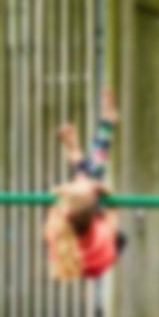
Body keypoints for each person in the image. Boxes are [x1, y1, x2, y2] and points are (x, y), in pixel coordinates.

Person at [46, 88, 125, 284]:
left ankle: (77, 150)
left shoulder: (56, 229)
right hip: (101, 257)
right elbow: (112, 211)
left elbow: (112, 208)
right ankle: (85, 142)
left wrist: (103, 191)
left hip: (85, 248)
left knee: (90, 176)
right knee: (91, 176)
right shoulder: (102, 237)